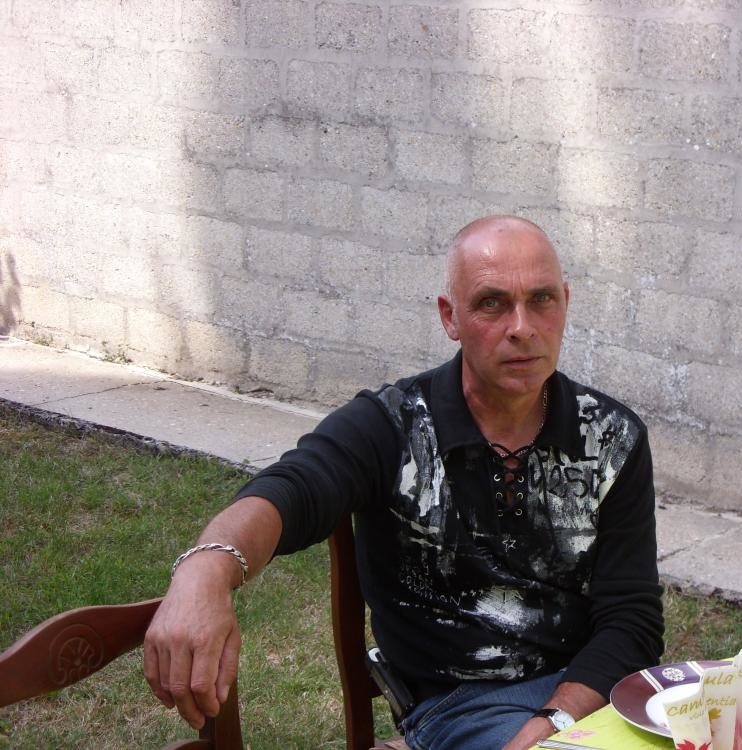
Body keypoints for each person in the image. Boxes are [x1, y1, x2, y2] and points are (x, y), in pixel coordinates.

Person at [144, 215, 665, 750]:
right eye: (492, 303)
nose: (522, 327)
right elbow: (293, 490)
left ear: (565, 303)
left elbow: (631, 618)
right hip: (459, 705)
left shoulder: (612, 437)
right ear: (450, 316)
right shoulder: (392, 426)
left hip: (588, 692)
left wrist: (554, 721)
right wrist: (206, 570)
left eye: (541, 300)